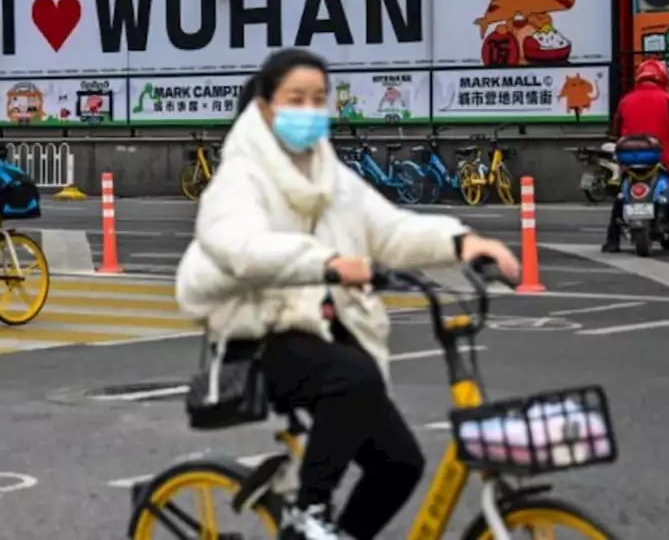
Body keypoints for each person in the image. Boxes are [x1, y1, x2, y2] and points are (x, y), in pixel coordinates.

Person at [175, 49, 519, 540]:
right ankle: (307, 512)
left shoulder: (331, 180)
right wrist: (330, 264)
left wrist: (463, 242)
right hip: (261, 335)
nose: (309, 110)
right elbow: (242, 249)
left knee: (399, 465)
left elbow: (391, 230)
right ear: (266, 108)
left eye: (319, 98)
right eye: (296, 98)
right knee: (352, 376)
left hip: (331, 335)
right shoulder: (238, 180)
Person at [604, 59, 669, 255]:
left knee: (621, 195)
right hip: (664, 160)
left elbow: (616, 132)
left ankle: (612, 240)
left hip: (629, 162)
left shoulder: (625, 101)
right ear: (663, 77)